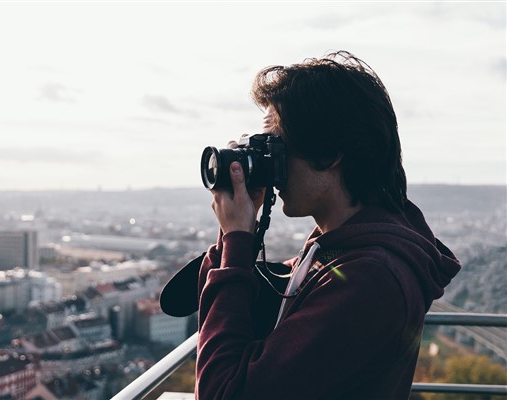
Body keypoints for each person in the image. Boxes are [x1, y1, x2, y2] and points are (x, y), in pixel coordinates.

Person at [195, 51, 461, 399]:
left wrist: (237, 240)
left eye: (277, 147)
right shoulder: (337, 247)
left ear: (330, 153)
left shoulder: (371, 277)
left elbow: (222, 392)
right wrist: (233, 236)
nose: (271, 165)